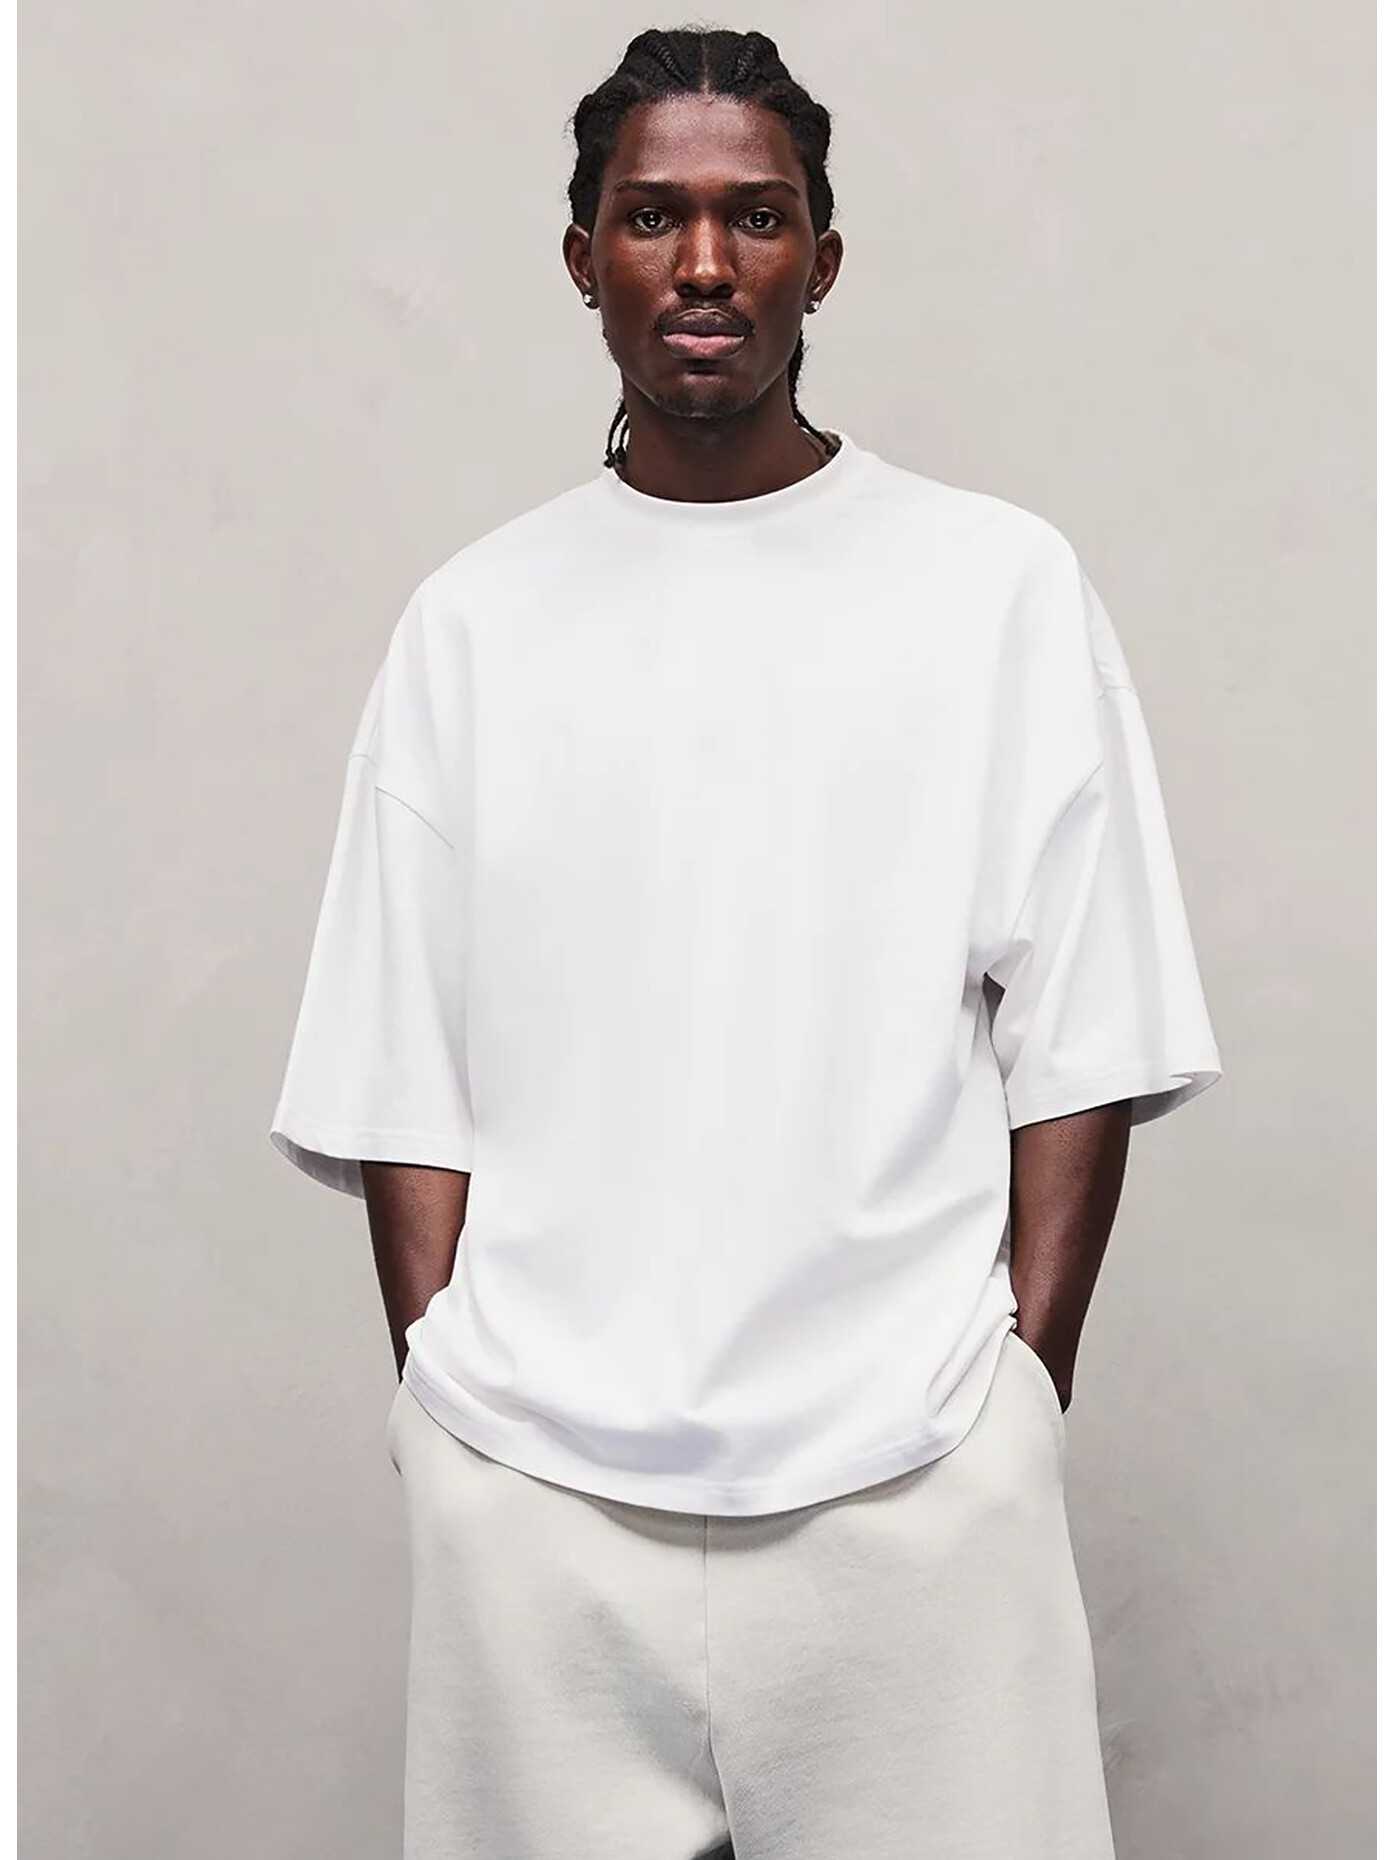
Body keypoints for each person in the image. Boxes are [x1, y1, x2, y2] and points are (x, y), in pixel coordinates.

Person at [269, 26, 1222, 1860]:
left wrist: (1018, 1399)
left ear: (821, 259)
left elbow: (1086, 1030)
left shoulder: (993, 586)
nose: (703, 262)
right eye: (652, 217)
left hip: (915, 1487)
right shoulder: (474, 623)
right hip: (537, 1505)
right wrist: (449, 1421)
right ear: (583, 260)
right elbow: (398, 1062)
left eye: (754, 217)